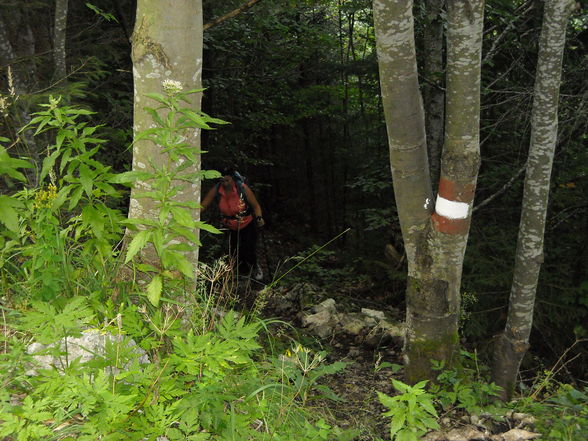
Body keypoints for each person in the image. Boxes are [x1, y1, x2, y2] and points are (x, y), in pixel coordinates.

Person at [201, 167, 265, 280]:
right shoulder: (217, 190)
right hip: (230, 226)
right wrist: (190, 214)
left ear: (233, 179)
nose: (225, 183)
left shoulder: (242, 188)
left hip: (247, 223)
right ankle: (242, 274)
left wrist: (259, 217)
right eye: (222, 181)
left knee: (249, 248)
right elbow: (203, 205)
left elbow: (256, 206)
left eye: (227, 180)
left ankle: (255, 268)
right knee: (235, 251)